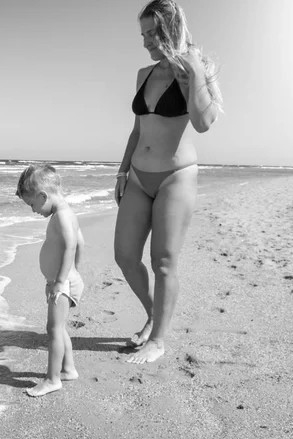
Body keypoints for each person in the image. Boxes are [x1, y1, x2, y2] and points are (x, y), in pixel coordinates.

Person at [114, 0, 222, 364]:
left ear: (171, 30)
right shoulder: (143, 73)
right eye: (142, 34)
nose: (145, 41)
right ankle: (152, 314)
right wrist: (122, 170)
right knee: (125, 255)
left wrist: (191, 72)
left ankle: (157, 339)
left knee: (163, 261)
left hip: (176, 176)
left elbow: (204, 123)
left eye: (152, 33)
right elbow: (137, 129)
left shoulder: (195, 68)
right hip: (139, 176)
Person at [16, 164, 85, 397]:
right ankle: (68, 369)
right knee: (59, 328)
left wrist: (61, 280)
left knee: (53, 330)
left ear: (43, 196)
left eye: (32, 204)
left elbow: (71, 246)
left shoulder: (63, 217)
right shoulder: (64, 213)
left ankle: (52, 379)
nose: (33, 210)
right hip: (62, 280)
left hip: (61, 283)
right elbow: (81, 242)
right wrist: (74, 271)